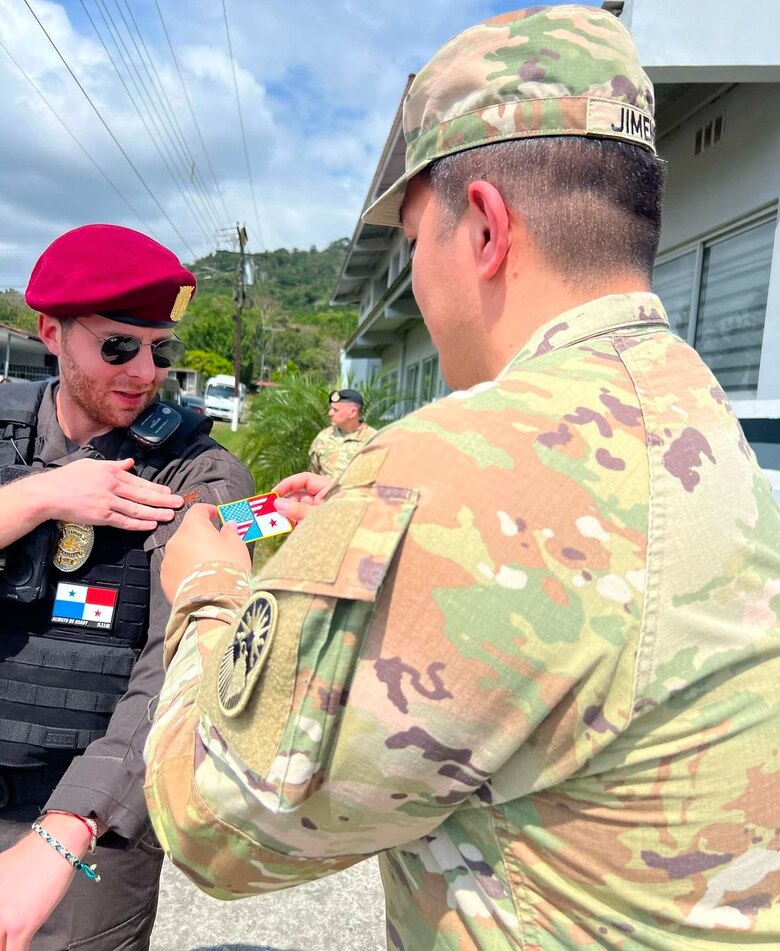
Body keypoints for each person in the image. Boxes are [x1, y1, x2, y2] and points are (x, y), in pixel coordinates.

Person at [145, 7, 780, 949]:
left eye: (415, 244)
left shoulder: (466, 463)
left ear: (483, 227)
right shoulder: (697, 412)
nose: (420, 282)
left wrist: (208, 585)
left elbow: (218, 826)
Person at [0, 224, 254, 951]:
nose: (145, 371)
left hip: (93, 820)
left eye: (158, 349)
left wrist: (69, 828)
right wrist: (41, 498)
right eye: (119, 346)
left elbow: (180, 666)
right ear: (51, 330)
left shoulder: (198, 475)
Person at [308, 388, 377, 479]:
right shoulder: (323, 437)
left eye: (335, 410)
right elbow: (313, 474)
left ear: (352, 413)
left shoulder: (374, 439)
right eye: (330, 409)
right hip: (326, 493)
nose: (330, 413)